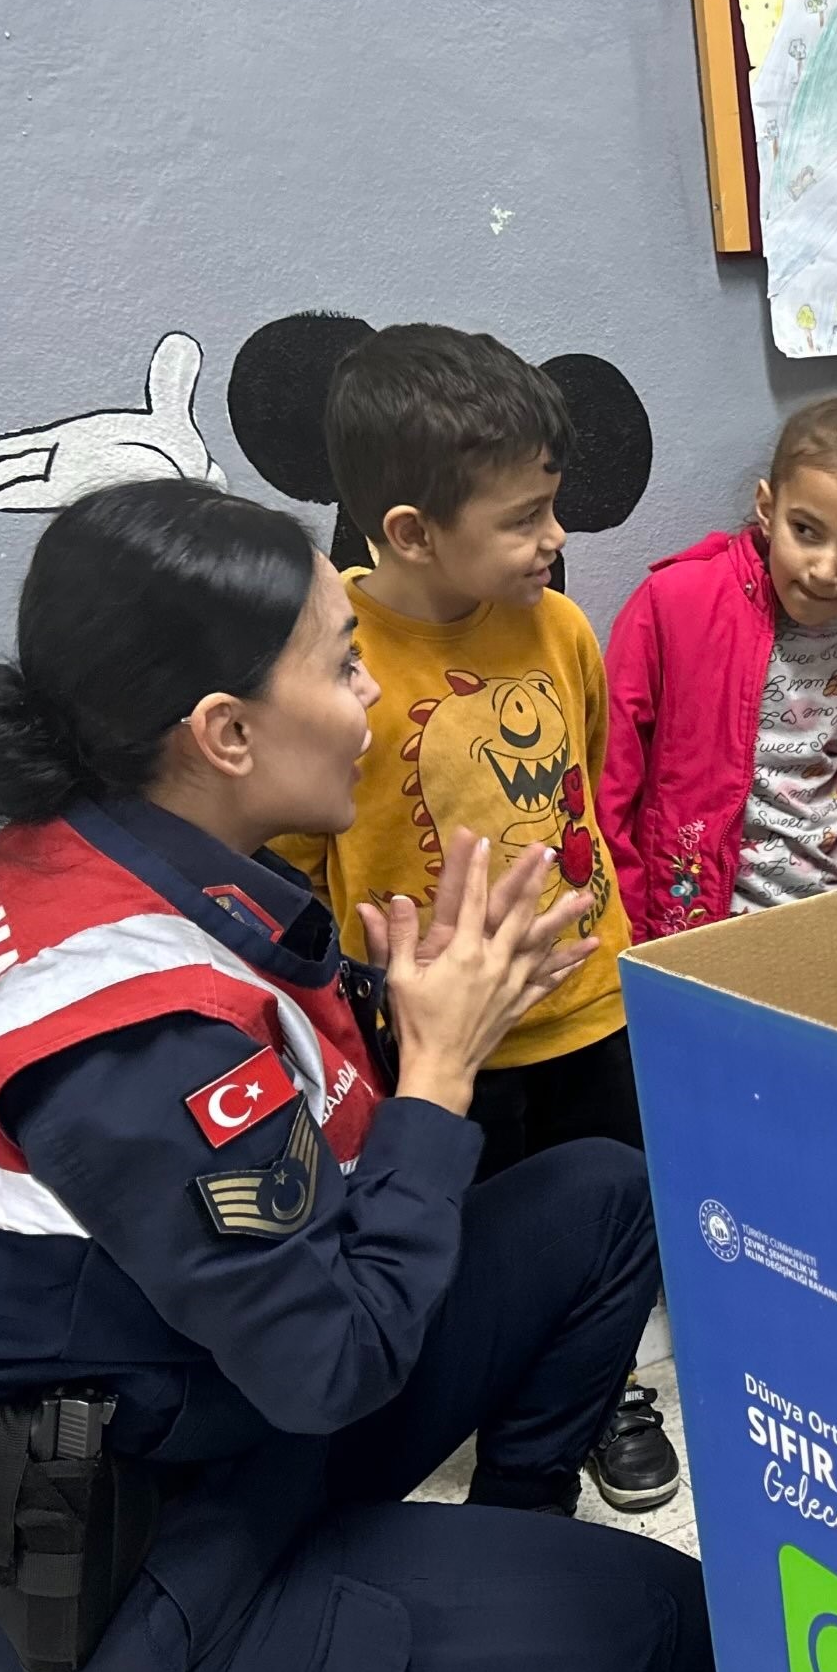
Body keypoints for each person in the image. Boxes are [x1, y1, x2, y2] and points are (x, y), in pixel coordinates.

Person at [0, 479, 722, 1672]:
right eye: (340, 661)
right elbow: (330, 1357)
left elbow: (273, 1143)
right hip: (149, 1568)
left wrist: (402, 1012)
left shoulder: (112, 860)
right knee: (695, 1651)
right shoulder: (121, 1031)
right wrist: (441, 1072)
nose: (373, 700)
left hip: (209, 1404)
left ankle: (510, 1550)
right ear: (224, 733)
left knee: (594, 1197)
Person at [272, 323, 676, 1510]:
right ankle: (482, 1405)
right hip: (442, 1041)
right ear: (410, 532)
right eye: (523, 519)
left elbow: (586, 783)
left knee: (614, 1232)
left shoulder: (560, 627)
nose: (556, 538)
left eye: (551, 507)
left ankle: (604, 1396)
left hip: (589, 1003)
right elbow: (300, 850)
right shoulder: (337, 657)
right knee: (477, 1248)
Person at [601, 396, 837, 933]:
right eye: (805, 530)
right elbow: (610, 784)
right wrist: (630, 937)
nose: (825, 569)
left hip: (834, 927)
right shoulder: (673, 604)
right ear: (767, 506)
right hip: (696, 930)